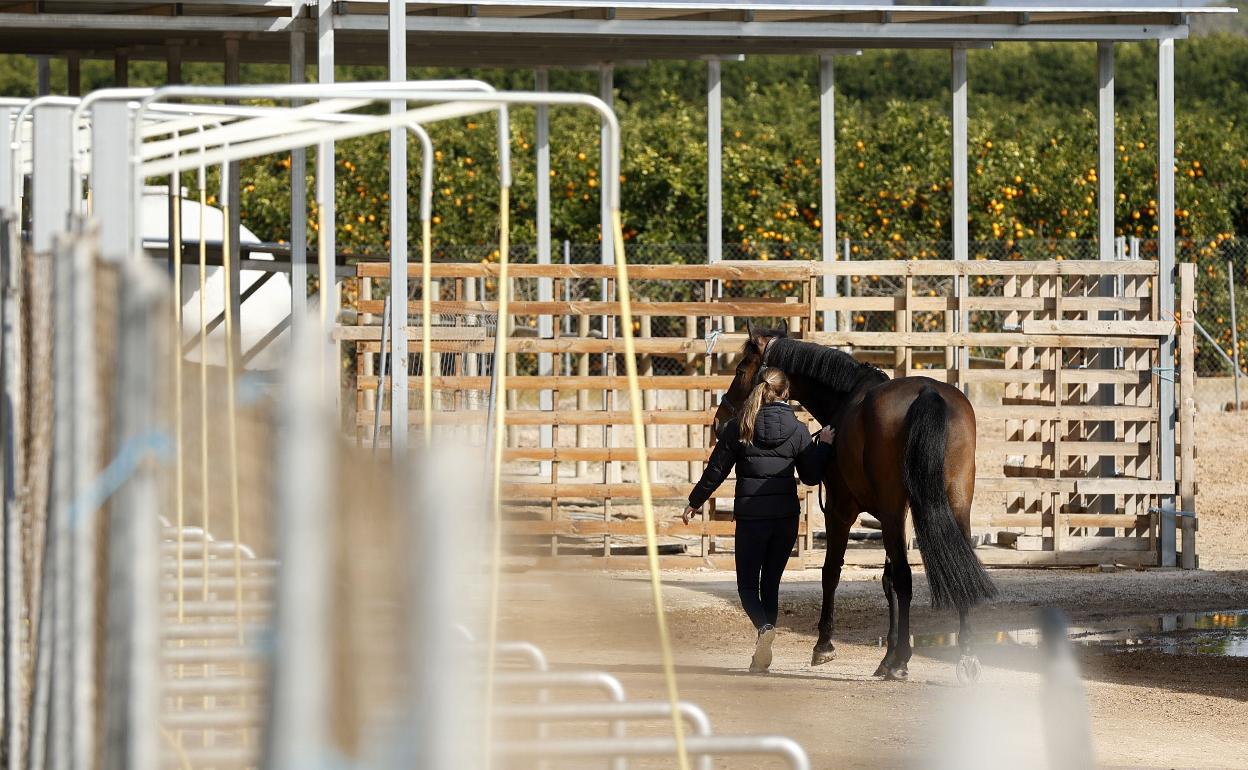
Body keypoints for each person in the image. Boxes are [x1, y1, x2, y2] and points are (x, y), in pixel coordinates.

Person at [683, 368, 834, 673]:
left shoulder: (740, 425)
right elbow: (809, 476)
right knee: (771, 585)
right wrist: (824, 445)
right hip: (785, 519)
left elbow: (717, 469)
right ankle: (761, 656)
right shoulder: (799, 429)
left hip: (752, 518)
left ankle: (764, 628)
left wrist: (694, 502)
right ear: (786, 393)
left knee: (747, 588)